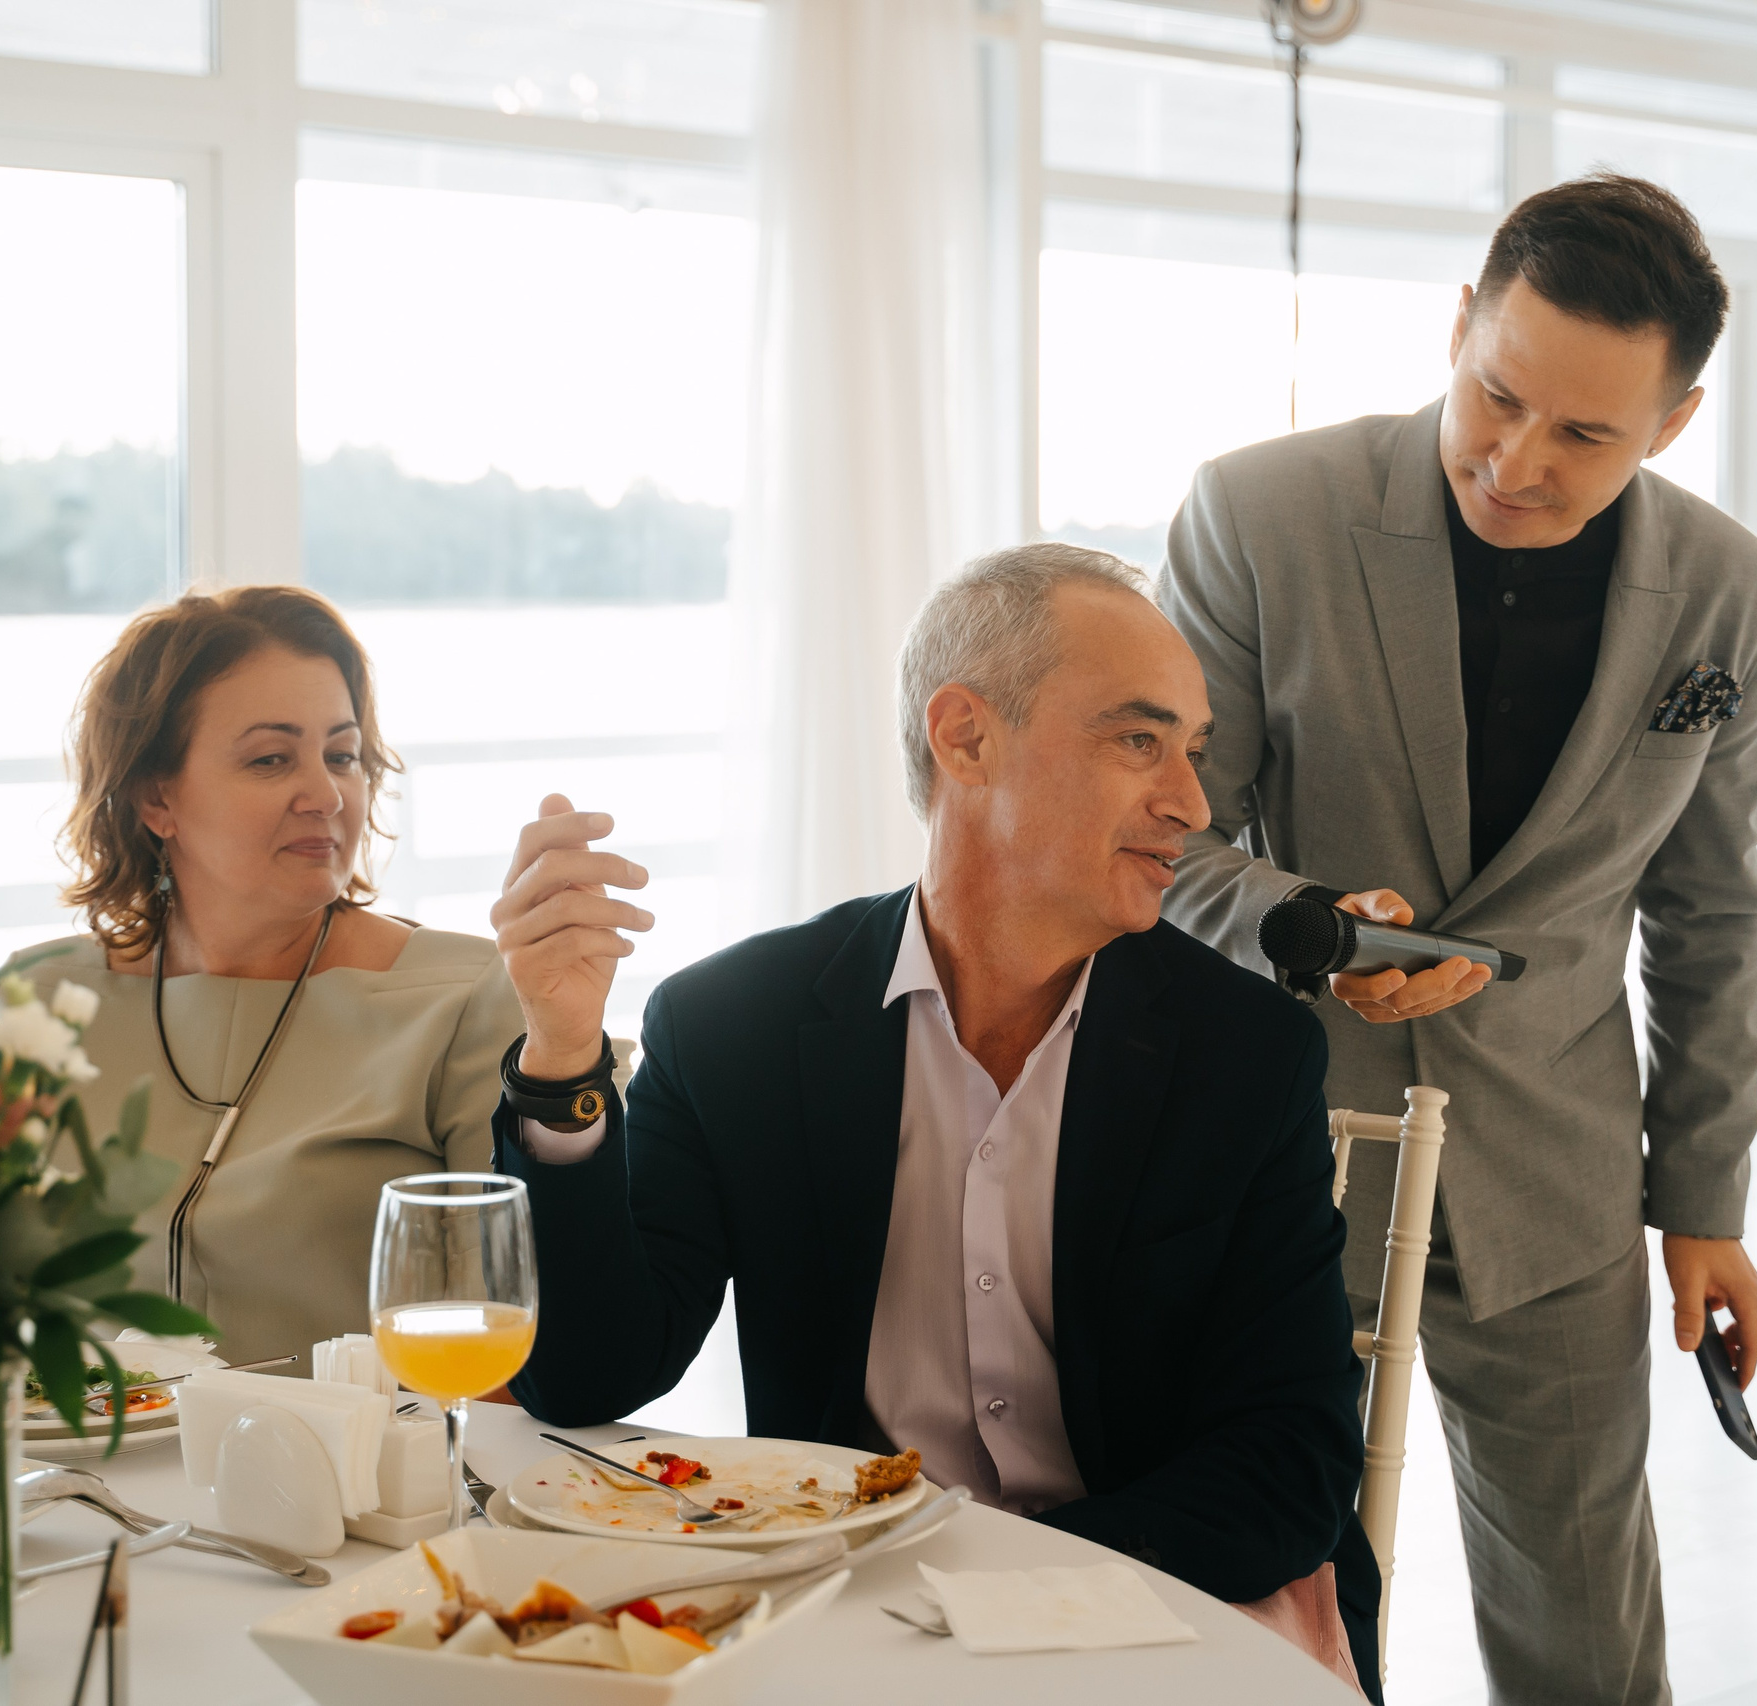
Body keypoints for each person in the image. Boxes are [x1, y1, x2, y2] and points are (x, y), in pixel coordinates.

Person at [488, 545, 1383, 1695]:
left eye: (1191, 749)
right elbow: (587, 1376)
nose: (1191, 804)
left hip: (1171, 1593)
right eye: (1137, 739)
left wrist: (988, 1589)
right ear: (964, 736)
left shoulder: (1244, 1051)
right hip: (864, 1617)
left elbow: (1291, 1461)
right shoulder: (735, 1023)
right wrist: (564, 1050)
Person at [1155, 172, 1757, 1703]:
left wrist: (1702, 1198)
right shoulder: (1258, 510)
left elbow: (1712, 909)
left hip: (1557, 1167)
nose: (1516, 461)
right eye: (1495, 395)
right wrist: (1302, 926)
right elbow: (1158, 834)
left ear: (1676, 422)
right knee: (1253, 1598)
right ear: (1457, 326)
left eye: (1586, 435)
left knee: (1584, 1622)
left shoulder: (1735, 598)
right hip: (1275, 1147)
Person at [10, 585, 521, 1365]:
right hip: (71, 1476)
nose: (325, 795)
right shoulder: (42, 1004)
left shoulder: (459, 999)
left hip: (354, 1480)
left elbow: (515, 1341)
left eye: (342, 756)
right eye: (271, 759)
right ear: (157, 798)